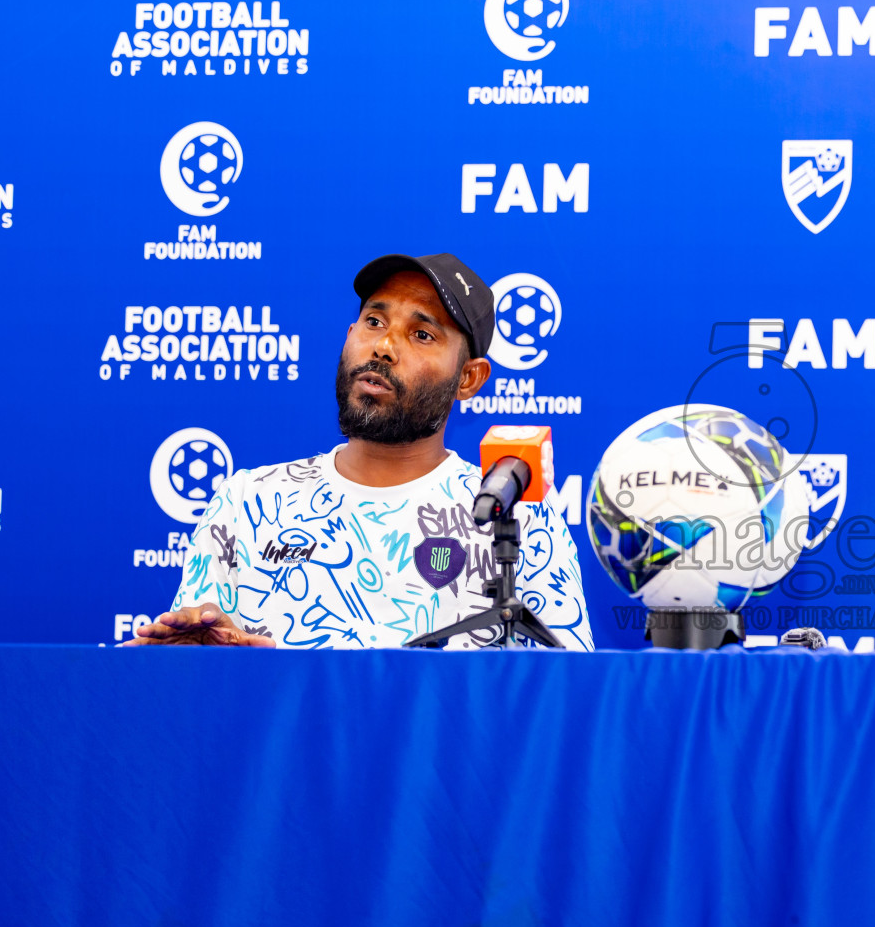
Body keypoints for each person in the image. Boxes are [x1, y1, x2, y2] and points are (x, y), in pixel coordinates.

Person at [125, 253, 593, 651]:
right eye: (374, 321)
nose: (384, 346)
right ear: (350, 333)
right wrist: (202, 661)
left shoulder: (515, 511)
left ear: (468, 378)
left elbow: (565, 702)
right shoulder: (245, 501)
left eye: (422, 334)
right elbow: (201, 683)